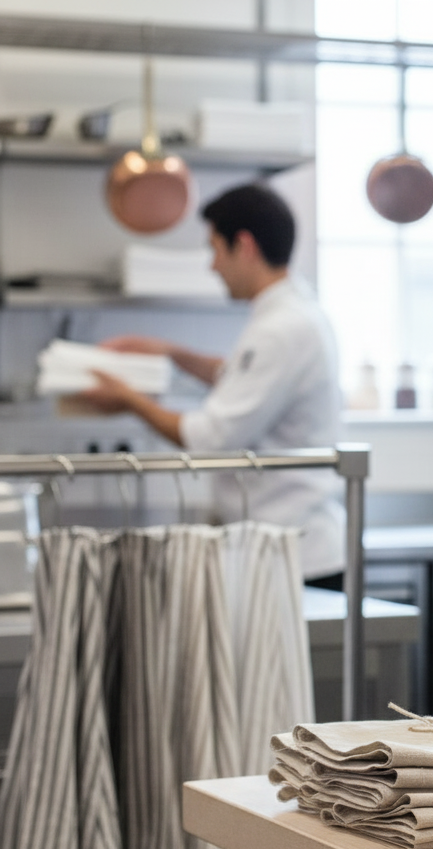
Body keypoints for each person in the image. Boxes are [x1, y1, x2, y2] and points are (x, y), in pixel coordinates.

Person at [77, 183, 347, 588]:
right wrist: (170, 353)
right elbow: (239, 378)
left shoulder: (280, 330)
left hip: (294, 556)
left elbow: (208, 437)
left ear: (245, 246)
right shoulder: (295, 314)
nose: (212, 266)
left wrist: (129, 399)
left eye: (216, 249)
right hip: (289, 549)